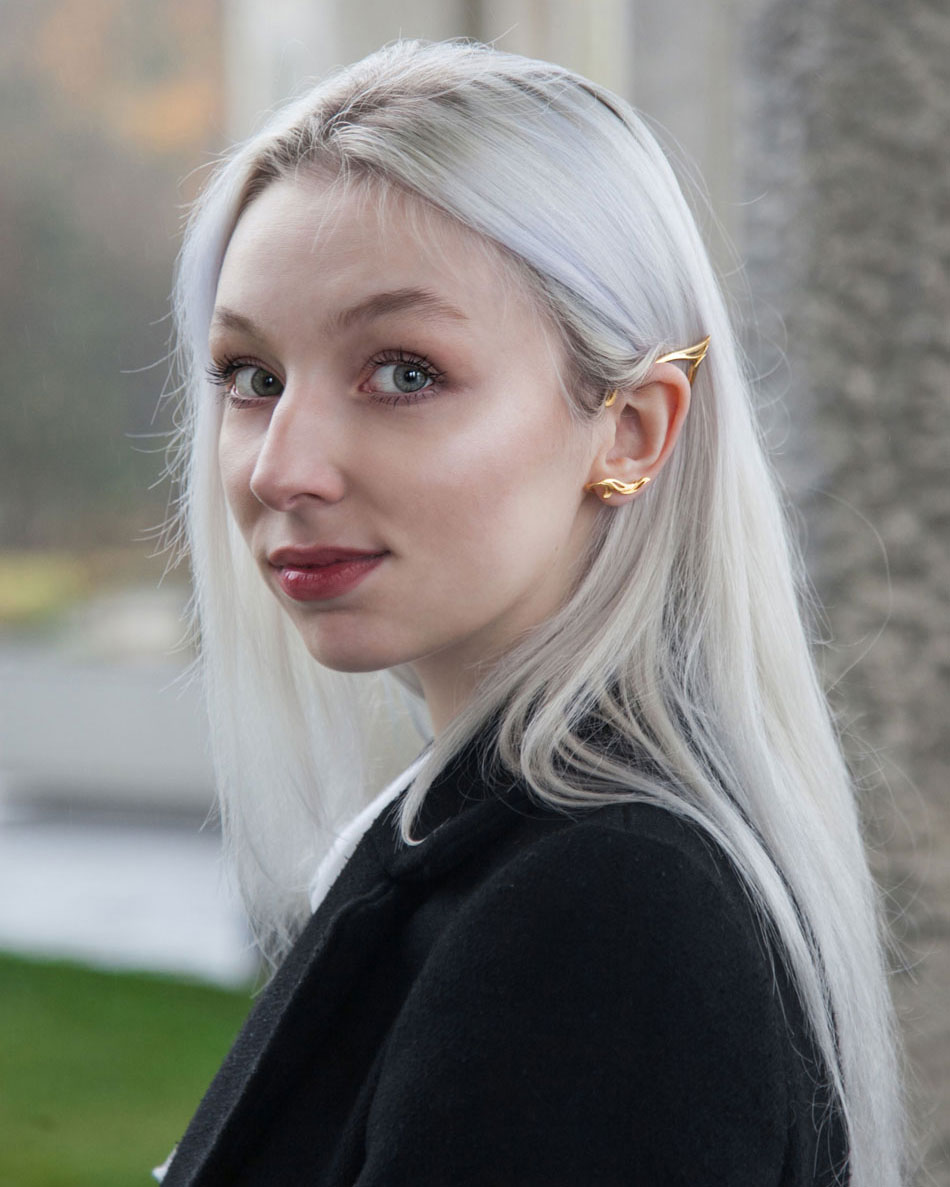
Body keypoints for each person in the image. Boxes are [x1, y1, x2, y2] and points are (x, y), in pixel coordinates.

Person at [156, 39, 904, 1186]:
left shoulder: (605, 917)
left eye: (402, 371)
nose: (280, 467)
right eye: (253, 377)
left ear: (631, 429)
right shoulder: (463, 845)